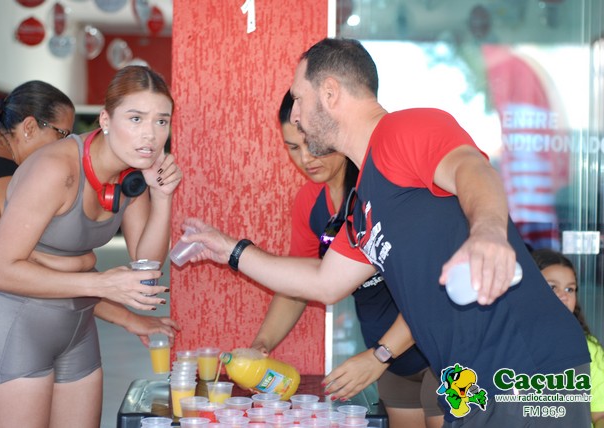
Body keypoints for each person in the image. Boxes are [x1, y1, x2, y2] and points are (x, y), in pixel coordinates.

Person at [181, 38, 591, 426]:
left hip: (525, 366)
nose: (297, 116)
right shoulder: (364, 201)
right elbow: (323, 281)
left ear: (329, 93)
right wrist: (230, 249)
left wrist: (488, 232)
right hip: (468, 384)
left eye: (299, 99)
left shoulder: (403, 130)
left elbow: (472, 167)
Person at [0, 67, 181, 428]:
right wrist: (102, 283)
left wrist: (162, 197)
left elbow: (146, 263)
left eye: (161, 121)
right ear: (105, 119)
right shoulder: (57, 169)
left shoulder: (131, 176)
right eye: (136, 118)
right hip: (19, 328)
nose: (150, 134)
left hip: (78, 331)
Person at [251, 91, 442, 427]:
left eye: (312, 144)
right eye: (293, 147)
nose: (306, 158)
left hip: (438, 351)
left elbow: (430, 288)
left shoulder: (380, 187)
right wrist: (261, 346)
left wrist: (380, 355)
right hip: (393, 364)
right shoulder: (310, 201)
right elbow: (300, 284)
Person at [531, 249, 604, 427]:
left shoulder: (590, 349)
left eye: (569, 289)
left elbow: (599, 414)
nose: (564, 296)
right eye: (552, 287)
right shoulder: (507, 345)